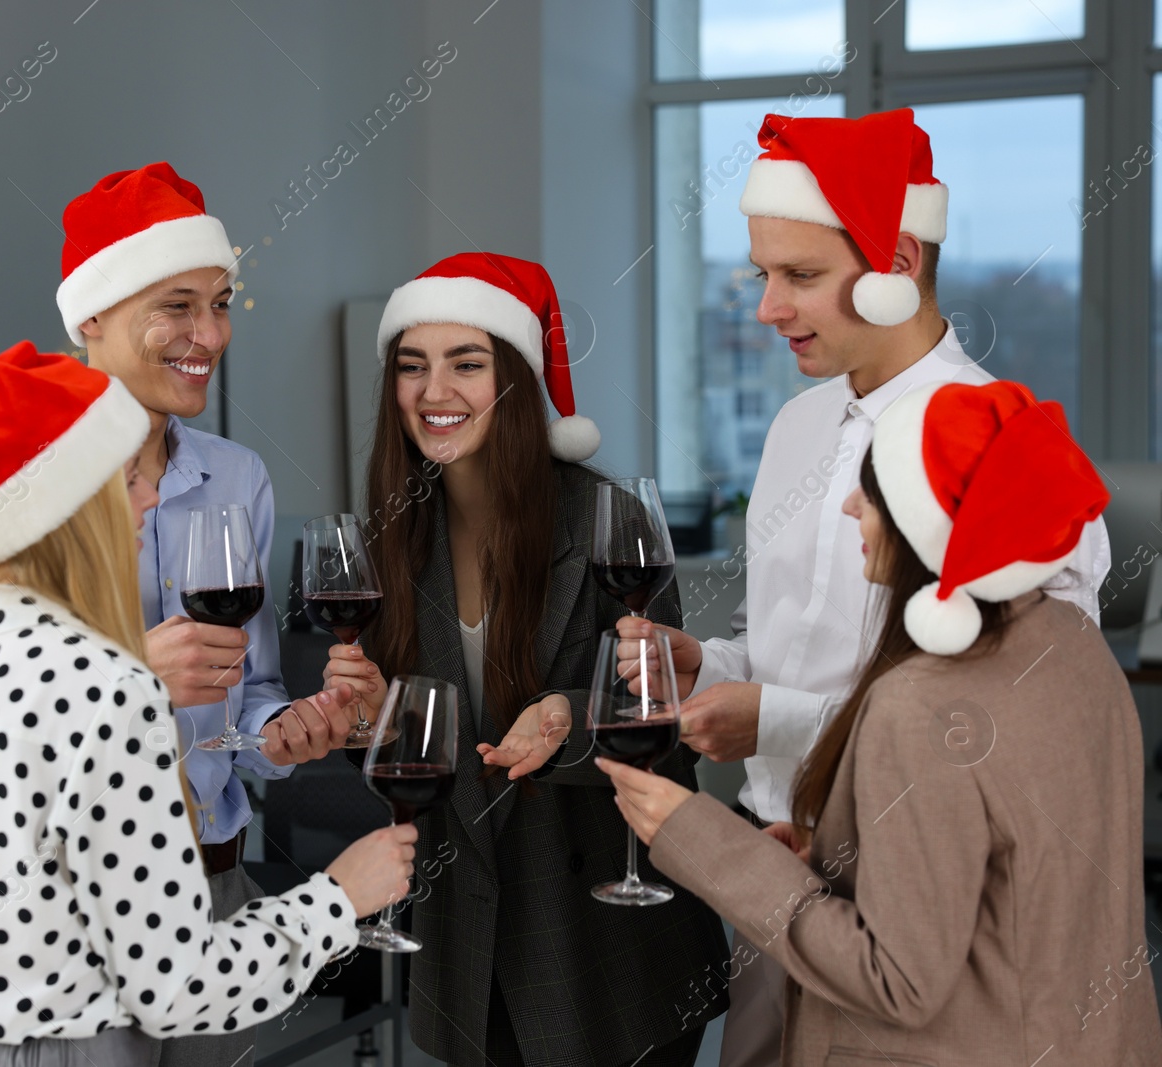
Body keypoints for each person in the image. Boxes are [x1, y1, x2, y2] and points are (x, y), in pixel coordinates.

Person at [629, 108, 1111, 1067]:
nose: (768, 307)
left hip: (921, 904)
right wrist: (709, 664)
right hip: (773, 871)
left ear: (896, 257)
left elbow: (1023, 732)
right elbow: (785, 644)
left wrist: (772, 719)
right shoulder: (798, 429)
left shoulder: (1001, 457)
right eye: (763, 273)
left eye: (800, 276)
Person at [0, 342, 417, 1067]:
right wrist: (336, 898)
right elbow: (176, 986)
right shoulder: (104, 686)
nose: (150, 496)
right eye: (128, 476)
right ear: (70, 507)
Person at [0, 163, 349, 1064]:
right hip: (61, 918)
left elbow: (247, 695)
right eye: (177, 305)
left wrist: (287, 731)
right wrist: (132, 675)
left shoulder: (237, 478)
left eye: (222, 303)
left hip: (212, 884)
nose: (209, 334)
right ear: (94, 318)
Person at [600, 378, 1162, 1066]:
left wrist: (700, 836)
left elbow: (897, 980)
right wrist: (840, 851)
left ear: (926, 520)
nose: (848, 504)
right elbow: (1012, 871)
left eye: (873, 490)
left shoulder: (917, 705)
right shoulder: (1071, 641)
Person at [321, 253, 731, 1067]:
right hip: (465, 949)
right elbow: (414, 745)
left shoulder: (608, 518)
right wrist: (362, 720)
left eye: (467, 363)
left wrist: (568, 720)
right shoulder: (392, 535)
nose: (435, 392)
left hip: (605, 948)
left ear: (515, 379)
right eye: (412, 367)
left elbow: (671, 732)